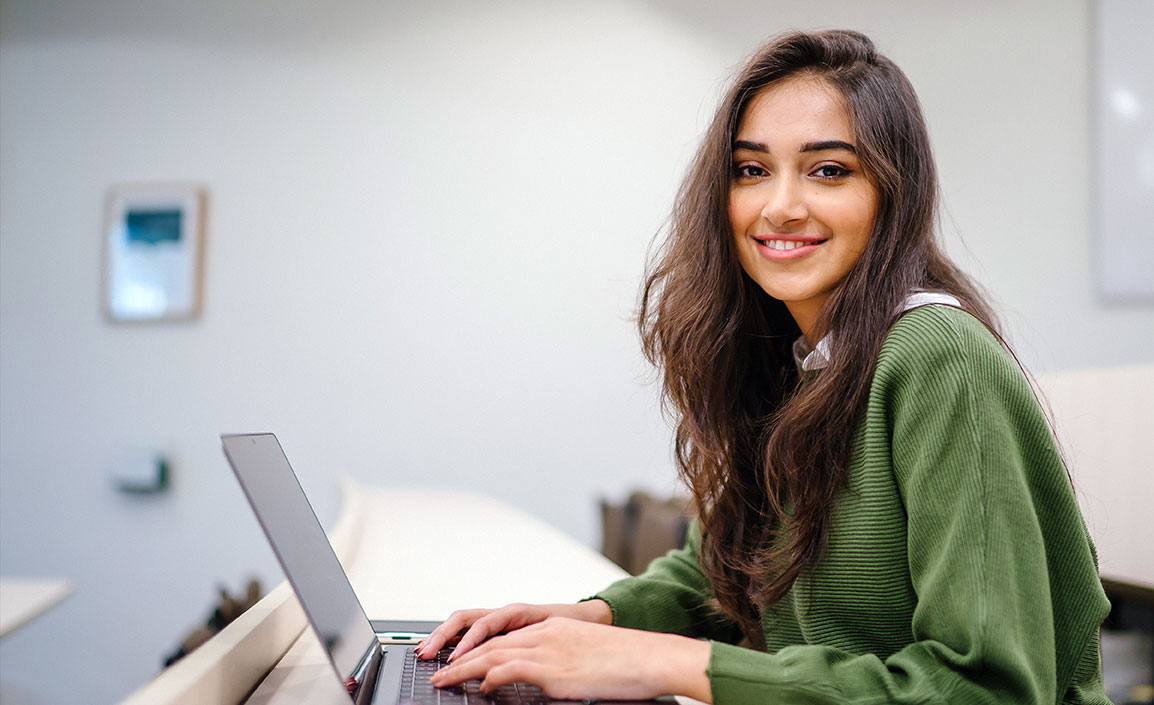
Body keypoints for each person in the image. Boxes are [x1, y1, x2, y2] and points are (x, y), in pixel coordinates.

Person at [417, 29, 1112, 704]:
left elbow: (987, 687)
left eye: (829, 170)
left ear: (892, 194)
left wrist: (669, 664)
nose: (780, 207)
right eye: (751, 170)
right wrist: (588, 619)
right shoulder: (800, 353)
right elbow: (726, 567)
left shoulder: (937, 357)